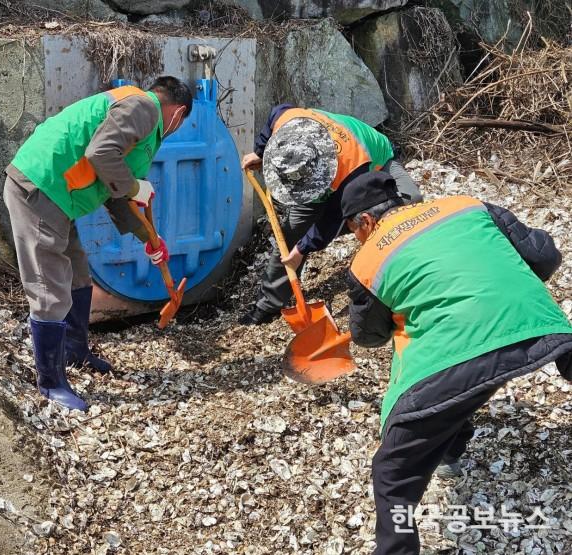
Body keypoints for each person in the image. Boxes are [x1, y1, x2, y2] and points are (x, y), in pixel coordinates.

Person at [340, 171, 572, 555]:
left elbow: (370, 337)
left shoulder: (367, 261)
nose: (357, 239)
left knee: (392, 475)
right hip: (539, 327)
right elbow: (545, 256)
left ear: (364, 222)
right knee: (469, 385)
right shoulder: (467, 206)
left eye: (353, 230)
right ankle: (451, 451)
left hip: (449, 359)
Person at [3, 76, 193, 411]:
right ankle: (50, 383)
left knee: (78, 274)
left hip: (59, 197)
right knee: (49, 287)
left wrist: (149, 238)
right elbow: (101, 154)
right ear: (178, 113)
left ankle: (75, 350)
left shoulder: (137, 116)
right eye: (180, 123)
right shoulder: (144, 108)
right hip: (39, 189)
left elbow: (114, 191)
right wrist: (135, 187)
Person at [239, 104, 423, 325]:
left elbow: (332, 216)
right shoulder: (286, 118)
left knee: (409, 202)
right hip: (319, 182)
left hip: (375, 163)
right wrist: (260, 152)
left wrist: (304, 247)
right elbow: (275, 113)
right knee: (289, 236)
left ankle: (394, 275)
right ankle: (268, 304)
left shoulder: (352, 168)